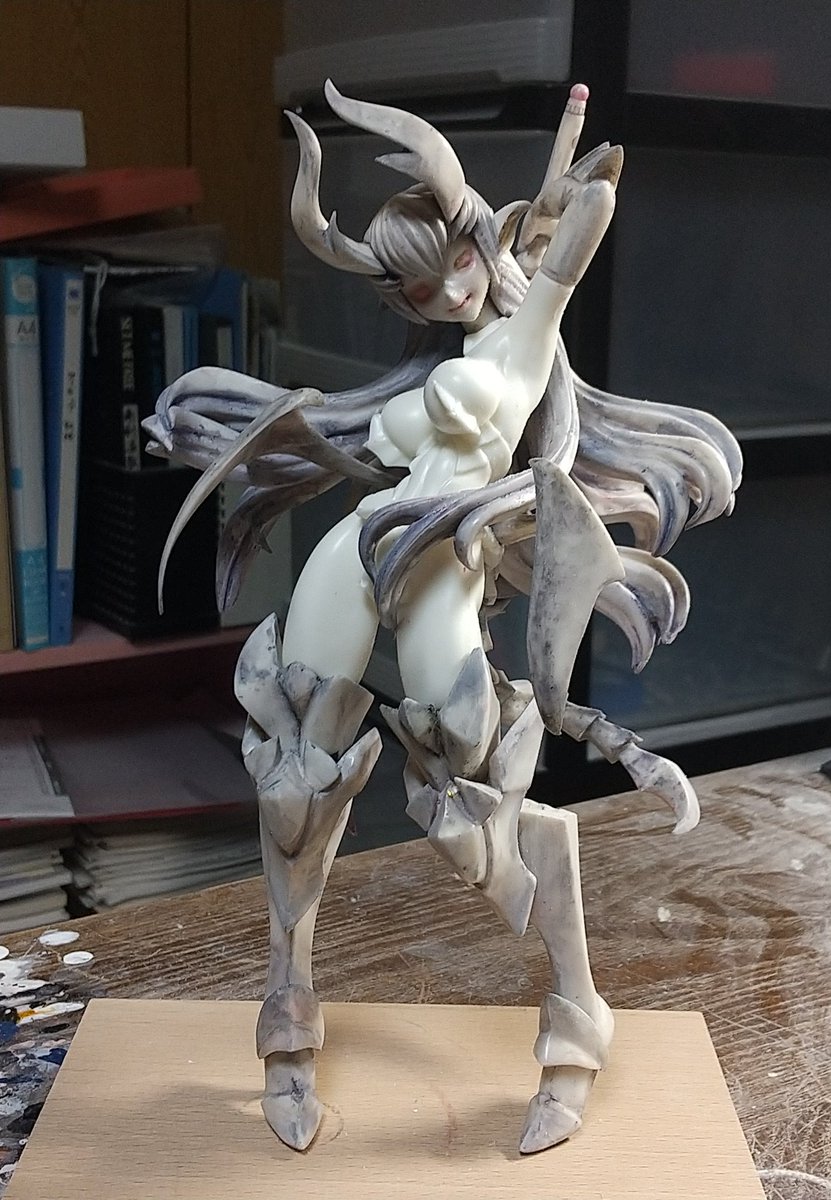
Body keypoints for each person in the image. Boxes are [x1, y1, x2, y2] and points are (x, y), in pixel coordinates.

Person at [144, 81, 742, 1156]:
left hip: (442, 569)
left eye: (452, 264)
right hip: (359, 552)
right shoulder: (436, 366)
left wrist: (522, 214)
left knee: (472, 817)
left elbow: (592, 211)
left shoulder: (522, 341)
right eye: (413, 287)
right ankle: (287, 1010)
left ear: (477, 248)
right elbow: (353, 439)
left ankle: (577, 1012)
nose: (440, 293)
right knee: (292, 779)